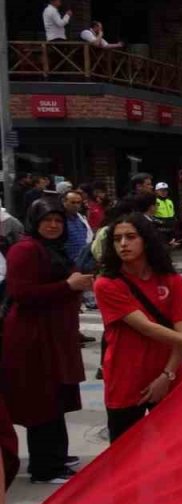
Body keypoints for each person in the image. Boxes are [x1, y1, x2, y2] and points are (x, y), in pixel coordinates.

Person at [94, 214, 182, 442]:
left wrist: (167, 375)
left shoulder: (171, 280)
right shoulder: (107, 284)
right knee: (126, 457)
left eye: (131, 237)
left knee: (180, 451)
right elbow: (146, 327)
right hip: (126, 379)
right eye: (117, 239)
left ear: (146, 240)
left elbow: (180, 332)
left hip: (171, 374)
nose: (123, 244)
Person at [1, 199, 91, 484]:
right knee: (41, 401)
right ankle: (45, 466)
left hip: (52, 335)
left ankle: (56, 456)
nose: (53, 225)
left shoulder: (51, 249)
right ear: (34, 222)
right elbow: (22, 293)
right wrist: (68, 286)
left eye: (58, 220)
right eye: (46, 220)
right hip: (32, 337)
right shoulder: (26, 250)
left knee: (56, 397)